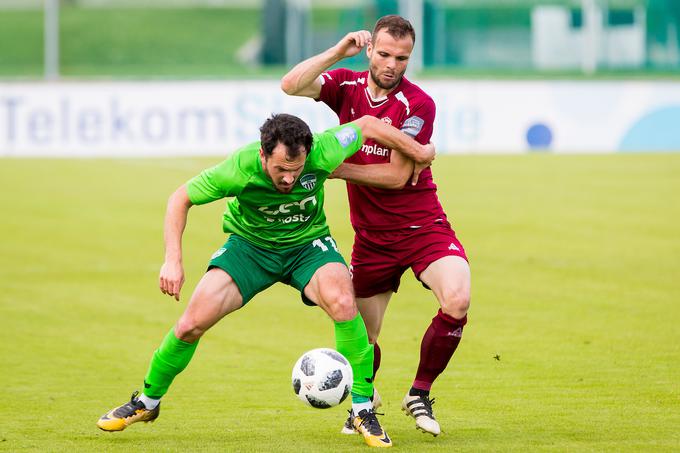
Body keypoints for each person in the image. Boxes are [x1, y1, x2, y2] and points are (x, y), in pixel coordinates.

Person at [96, 112, 434, 448]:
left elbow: (368, 125)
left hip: (307, 246)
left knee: (344, 303)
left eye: (296, 170)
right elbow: (180, 198)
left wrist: (418, 152)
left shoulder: (324, 149)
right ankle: (147, 402)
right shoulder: (240, 168)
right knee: (190, 325)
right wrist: (173, 259)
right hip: (250, 248)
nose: (288, 179)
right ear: (263, 154)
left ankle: (362, 409)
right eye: (280, 170)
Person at [281, 15, 471, 437]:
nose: (391, 64)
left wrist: (331, 168)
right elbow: (291, 85)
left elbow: (396, 176)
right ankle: (363, 404)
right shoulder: (346, 87)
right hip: (372, 238)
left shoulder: (417, 103)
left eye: (401, 58)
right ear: (370, 50)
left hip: (424, 228)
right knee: (361, 341)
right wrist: (335, 52)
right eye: (383, 54)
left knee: (457, 298)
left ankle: (419, 392)